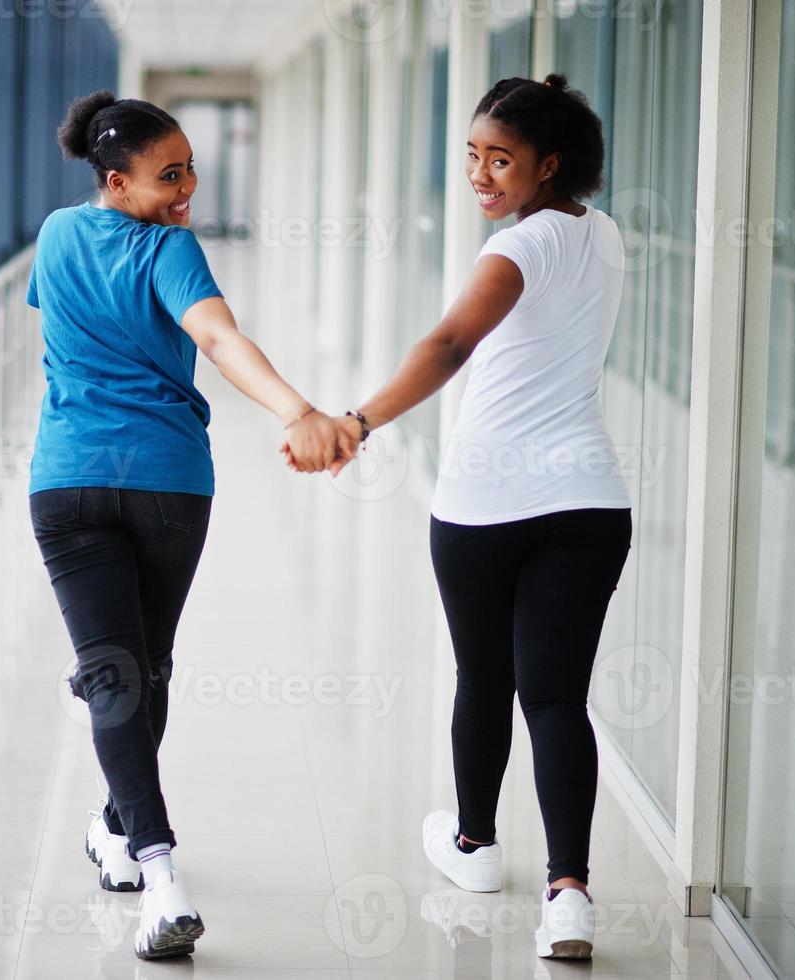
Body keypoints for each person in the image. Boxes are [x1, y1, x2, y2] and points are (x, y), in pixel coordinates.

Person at [312, 73, 633, 961]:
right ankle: (568, 894)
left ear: (548, 164)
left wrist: (358, 420)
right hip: (590, 501)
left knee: (484, 679)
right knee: (558, 695)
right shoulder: (602, 236)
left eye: (501, 160)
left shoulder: (516, 249)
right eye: (472, 157)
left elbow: (448, 343)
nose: (482, 176)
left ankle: (476, 845)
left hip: (487, 505)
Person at [26, 90, 354, 960]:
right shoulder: (169, 250)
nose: (186, 188)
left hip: (71, 478)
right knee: (136, 672)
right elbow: (216, 340)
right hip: (165, 479)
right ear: (114, 179)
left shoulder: (58, 235)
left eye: (189, 168)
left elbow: (194, 336)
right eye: (167, 175)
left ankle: (109, 820)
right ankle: (157, 869)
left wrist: (297, 408)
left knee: (131, 672)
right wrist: (297, 410)